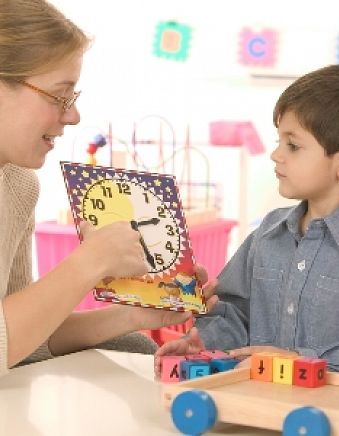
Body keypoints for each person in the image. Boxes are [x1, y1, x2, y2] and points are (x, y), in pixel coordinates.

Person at [154, 63, 339, 375]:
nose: (277, 155)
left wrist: (297, 360)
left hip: (336, 402)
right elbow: (235, 313)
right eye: (279, 142)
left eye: (293, 145)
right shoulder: (268, 233)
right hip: (253, 394)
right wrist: (204, 341)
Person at [0, 0, 216, 378]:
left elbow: (18, 340)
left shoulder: (18, 185)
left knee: (135, 345)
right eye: (59, 96)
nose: (73, 115)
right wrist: (89, 262)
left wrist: (133, 315)